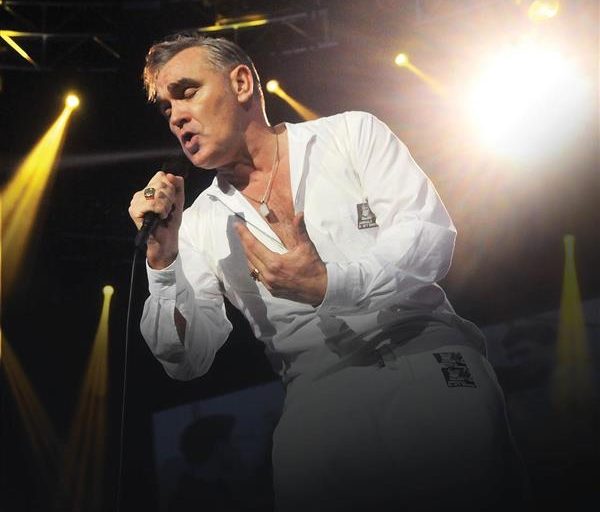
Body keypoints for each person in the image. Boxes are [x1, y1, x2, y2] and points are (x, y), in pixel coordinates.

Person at [128, 33, 530, 512]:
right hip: (317, 403)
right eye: (166, 107)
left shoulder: (350, 135)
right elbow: (186, 359)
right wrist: (162, 260)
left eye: (187, 92)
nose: (175, 116)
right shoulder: (197, 224)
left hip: (424, 357)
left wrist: (330, 284)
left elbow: (428, 237)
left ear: (241, 83)